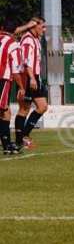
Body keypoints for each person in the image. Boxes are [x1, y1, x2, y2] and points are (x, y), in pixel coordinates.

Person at [15, 17, 48, 150]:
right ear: (34, 26)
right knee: (24, 109)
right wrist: (32, 78)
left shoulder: (36, 39)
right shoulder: (28, 39)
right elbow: (26, 61)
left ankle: (23, 136)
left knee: (43, 106)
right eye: (43, 26)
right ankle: (19, 141)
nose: (44, 30)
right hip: (28, 77)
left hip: (35, 77)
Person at [0, 19, 25, 155]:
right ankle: (6, 145)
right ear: (15, 31)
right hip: (3, 79)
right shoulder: (13, 44)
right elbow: (15, 70)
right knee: (3, 111)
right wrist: (21, 87)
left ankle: (7, 144)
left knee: (6, 111)